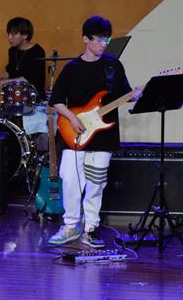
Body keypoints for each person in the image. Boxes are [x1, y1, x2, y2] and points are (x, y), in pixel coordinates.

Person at [48, 15, 135, 248]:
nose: (104, 44)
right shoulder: (72, 68)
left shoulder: (113, 66)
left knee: (96, 184)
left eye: (107, 40)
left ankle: (90, 228)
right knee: (71, 181)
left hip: (104, 134)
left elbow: (124, 94)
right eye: (99, 39)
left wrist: (134, 95)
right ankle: (70, 225)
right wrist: (72, 118)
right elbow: (56, 100)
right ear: (85, 39)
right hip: (74, 131)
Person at [0, 16, 46, 97]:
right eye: (9, 34)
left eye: (13, 34)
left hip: (33, 96)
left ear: (25, 35)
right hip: (15, 95)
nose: (9, 37)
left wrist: (3, 82)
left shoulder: (37, 51)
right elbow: (11, 71)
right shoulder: (12, 50)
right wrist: (1, 78)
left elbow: (29, 79)